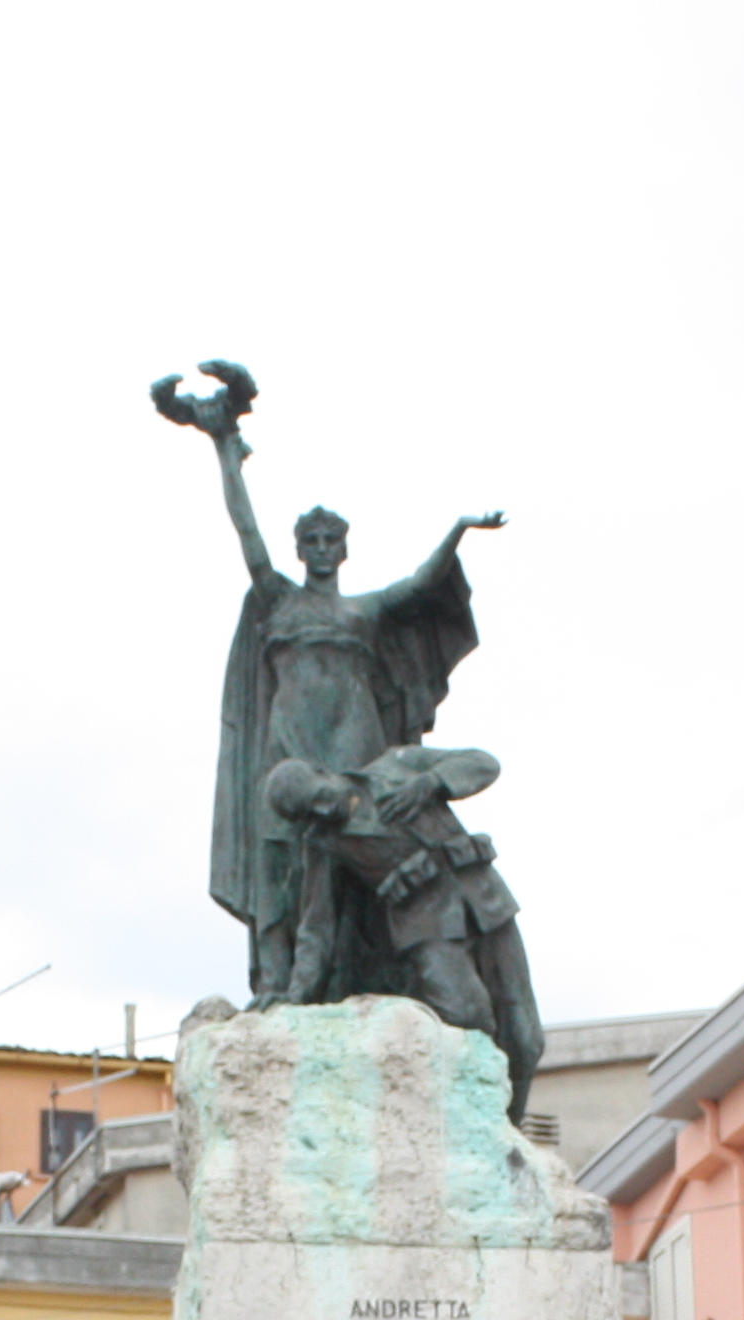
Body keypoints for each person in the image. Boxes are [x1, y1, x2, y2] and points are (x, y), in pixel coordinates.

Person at [169, 369, 504, 1006]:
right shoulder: (277, 596)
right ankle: (276, 983)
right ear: (301, 549)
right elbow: (246, 535)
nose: (321, 548)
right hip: (288, 746)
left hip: (354, 742)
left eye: (332, 540)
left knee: (361, 860)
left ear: (344, 550)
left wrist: (458, 532)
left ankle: (368, 976)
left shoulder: (363, 612)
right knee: (278, 864)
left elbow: (419, 583)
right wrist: (223, 451)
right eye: (312, 540)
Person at [261, 745, 543, 1117]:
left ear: (322, 771)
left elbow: (484, 763)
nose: (322, 812)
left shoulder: (397, 766)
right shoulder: (325, 843)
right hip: (426, 926)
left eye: (319, 798)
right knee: (467, 1018)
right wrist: (295, 997)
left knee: (525, 1038)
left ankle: (510, 1132)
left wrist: (431, 782)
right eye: (308, 814)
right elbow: (317, 927)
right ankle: (471, 1122)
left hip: (485, 902)